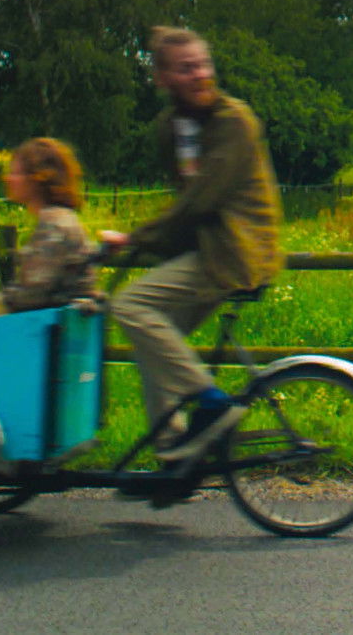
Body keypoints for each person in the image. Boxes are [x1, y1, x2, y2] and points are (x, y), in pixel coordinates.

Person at [104, 26, 283, 463]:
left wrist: (136, 238)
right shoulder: (171, 127)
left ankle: (212, 402)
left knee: (129, 306)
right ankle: (174, 455)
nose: (200, 74)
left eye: (203, 64)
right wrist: (146, 245)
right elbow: (186, 201)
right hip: (207, 248)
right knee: (157, 344)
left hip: (234, 252)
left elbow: (201, 200)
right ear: (163, 78)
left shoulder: (233, 121)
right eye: (186, 68)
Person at [2, 137, 101, 312]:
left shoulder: (54, 225)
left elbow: (31, 295)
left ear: (37, 179)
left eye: (16, 173)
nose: (7, 178)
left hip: (56, 326)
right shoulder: (59, 218)